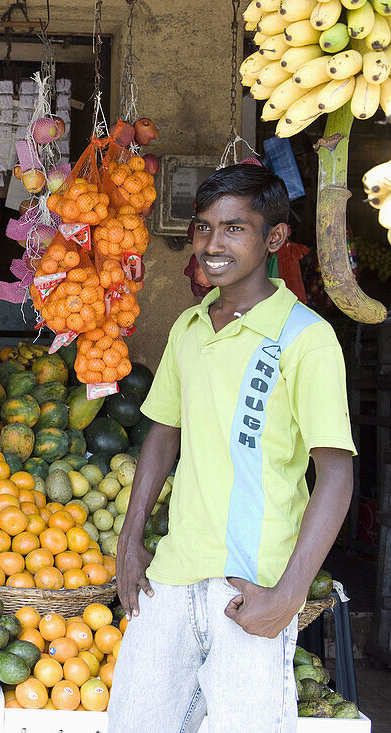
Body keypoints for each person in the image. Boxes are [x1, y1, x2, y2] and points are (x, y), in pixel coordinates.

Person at [108, 164, 355, 732]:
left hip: (254, 586)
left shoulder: (306, 337)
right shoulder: (188, 327)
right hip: (170, 577)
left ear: (273, 239)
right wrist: (130, 540)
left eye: (234, 228)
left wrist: (289, 594)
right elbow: (163, 432)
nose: (212, 244)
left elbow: (335, 474)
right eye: (203, 227)